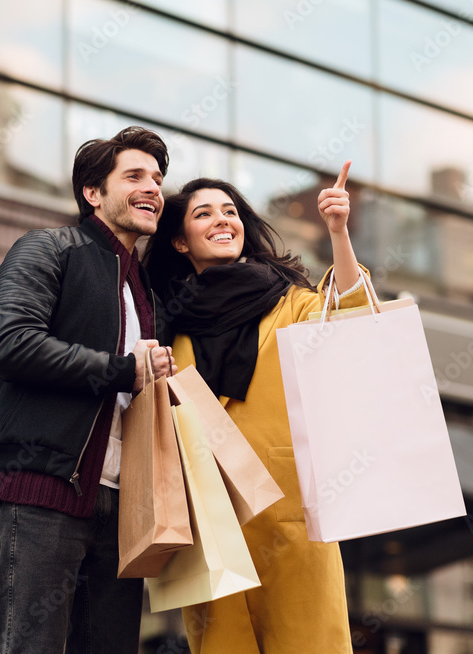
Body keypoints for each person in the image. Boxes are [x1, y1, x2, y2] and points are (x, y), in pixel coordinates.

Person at [144, 161, 365, 653]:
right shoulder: (165, 327)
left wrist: (338, 233)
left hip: (289, 508)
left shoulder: (290, 302)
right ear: (180, 241)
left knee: (308, 643)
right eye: (204, 214)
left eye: (231, 211)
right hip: (208, 517)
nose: (222, 220)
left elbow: (351, 315)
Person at [0, 126, 177, 654]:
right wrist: (122, 370)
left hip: (124, 506)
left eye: (157, 179)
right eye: (133, 176)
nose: (153, 188)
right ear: (93, 193)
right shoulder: (50, 248)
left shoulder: (147, 291)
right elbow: (11, 342)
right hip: (46, 493)